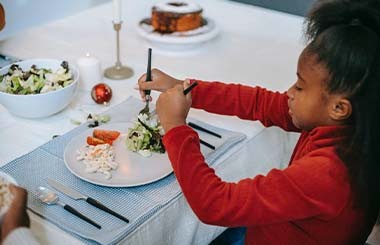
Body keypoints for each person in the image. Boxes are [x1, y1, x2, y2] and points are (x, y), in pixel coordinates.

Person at [137, 0, 380, 244]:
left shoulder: (327, 174)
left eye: (300, 86)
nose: (290, 92)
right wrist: (183, 88)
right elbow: (259, 102)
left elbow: (214, 204)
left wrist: (175, 127)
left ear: (339, 107)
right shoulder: (351, 126)